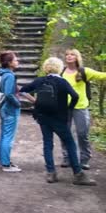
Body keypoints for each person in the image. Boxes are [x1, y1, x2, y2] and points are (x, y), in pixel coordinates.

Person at [19, 57, 96, 185]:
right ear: (59, 68)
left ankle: (51, 173)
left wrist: (36, 101)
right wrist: (69, 108)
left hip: (42, 117)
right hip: (59, 118)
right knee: (70, 142)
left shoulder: (39, 81)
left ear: (45, 68)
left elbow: (22, 90)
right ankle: (78, 174)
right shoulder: (62, 82)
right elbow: (75, 96)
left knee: (47, 144)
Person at [60, 49, 106, 170]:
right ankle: (67, 157)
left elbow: (102, 75)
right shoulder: (61, 71)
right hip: (64, 107)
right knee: (65, 133)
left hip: (80, 107)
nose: (69, 57)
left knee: (82, 133)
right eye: (67, 55)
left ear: (77, 57)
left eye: (72, 54)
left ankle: (84, 159)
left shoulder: (85, 71)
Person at [0, 51, 22, 172]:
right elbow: (8, 94)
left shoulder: (2, 74)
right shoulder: (10, 75)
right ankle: (6, 164)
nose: (18, 61)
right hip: (10, 109)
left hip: (3, 108)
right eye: (15, 60)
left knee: (4, 135)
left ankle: (3, 161)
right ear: (10, 63)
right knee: (8, 137)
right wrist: (18, 103)